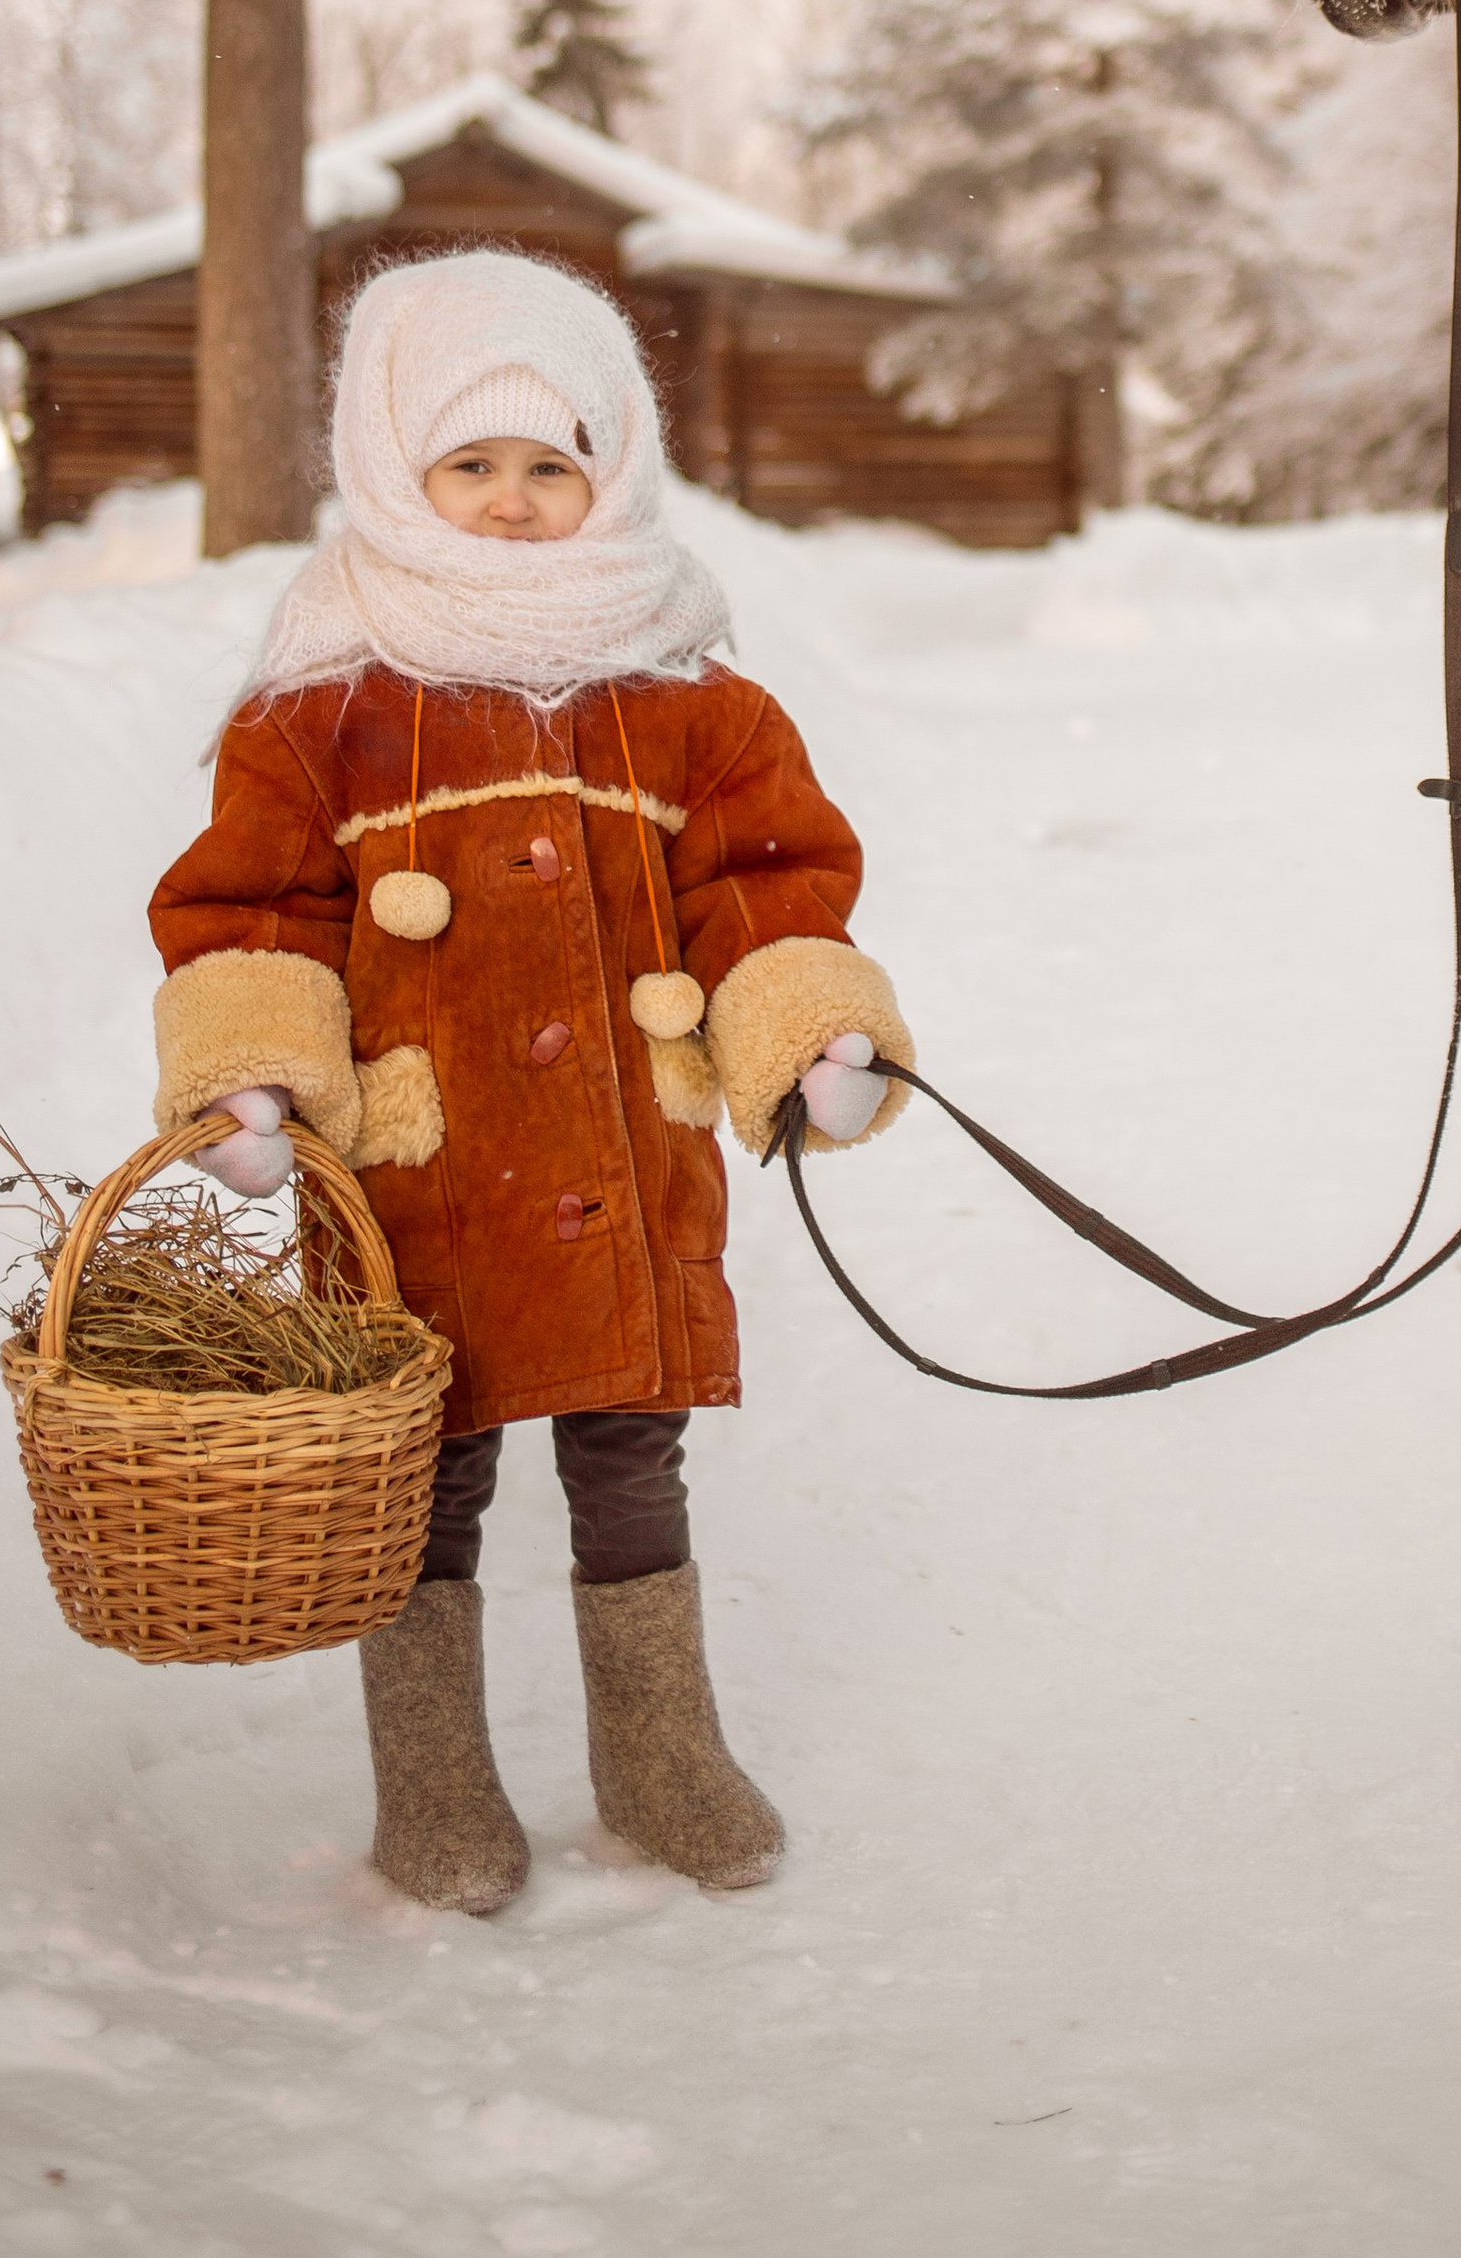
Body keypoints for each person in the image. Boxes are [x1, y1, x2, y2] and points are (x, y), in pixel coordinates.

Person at [147, 248, 911, 1918]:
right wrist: (261, 1073)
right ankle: (435, 1783)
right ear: (396, 464)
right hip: (424, 1180)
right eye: (471, 464)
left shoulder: (689, 691)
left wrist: (807, 1035)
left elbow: (767, 887)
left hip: (626, 1161)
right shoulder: (326, 703)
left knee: (634, 1452)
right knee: (429, 1473)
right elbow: (255, 911)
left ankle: (660, 1757)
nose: (510, 502)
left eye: (551, 465)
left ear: (612, 466)